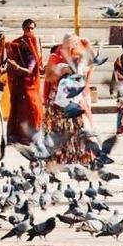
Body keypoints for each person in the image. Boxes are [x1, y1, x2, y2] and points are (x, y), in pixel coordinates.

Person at [42, 34, 95, 165]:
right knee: (57, 129)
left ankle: (79, 157)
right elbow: (48, 76)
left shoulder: (78, 57)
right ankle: (57, 158)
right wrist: (62, 70)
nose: (72, 47)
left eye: (75, 44)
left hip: (74, 100)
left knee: (77, 128)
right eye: (70, 44)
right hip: (57, 100)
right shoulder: (55, 57)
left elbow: (92, 62)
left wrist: (88, 45)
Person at [6, 19, 44, 145]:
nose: (30, 31)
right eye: (28, 28)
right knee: (18, 108)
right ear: (23, 28)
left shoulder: (33, 47)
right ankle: (17, 135)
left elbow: (30, 69)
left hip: (30, 85)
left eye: (32, 28)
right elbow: (9, 51)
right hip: (18, 83)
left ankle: (31, 136)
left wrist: (16, 67)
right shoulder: (16, 44)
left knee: (32, 108)